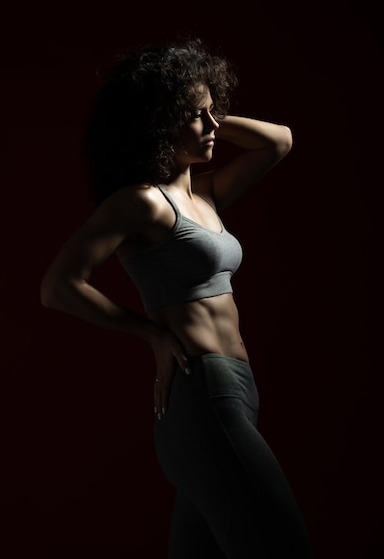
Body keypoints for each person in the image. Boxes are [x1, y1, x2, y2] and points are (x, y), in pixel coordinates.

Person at [40, 37, 316, 558]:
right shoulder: (143, 202)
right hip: (202, 396)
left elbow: (279, 141)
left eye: (214, 112)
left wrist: (205, 108)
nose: (213, 128)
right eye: (196, 117)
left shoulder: (206, 195)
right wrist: (150, 332)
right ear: (159, 122)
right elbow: (58, 286)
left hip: (235, 393)